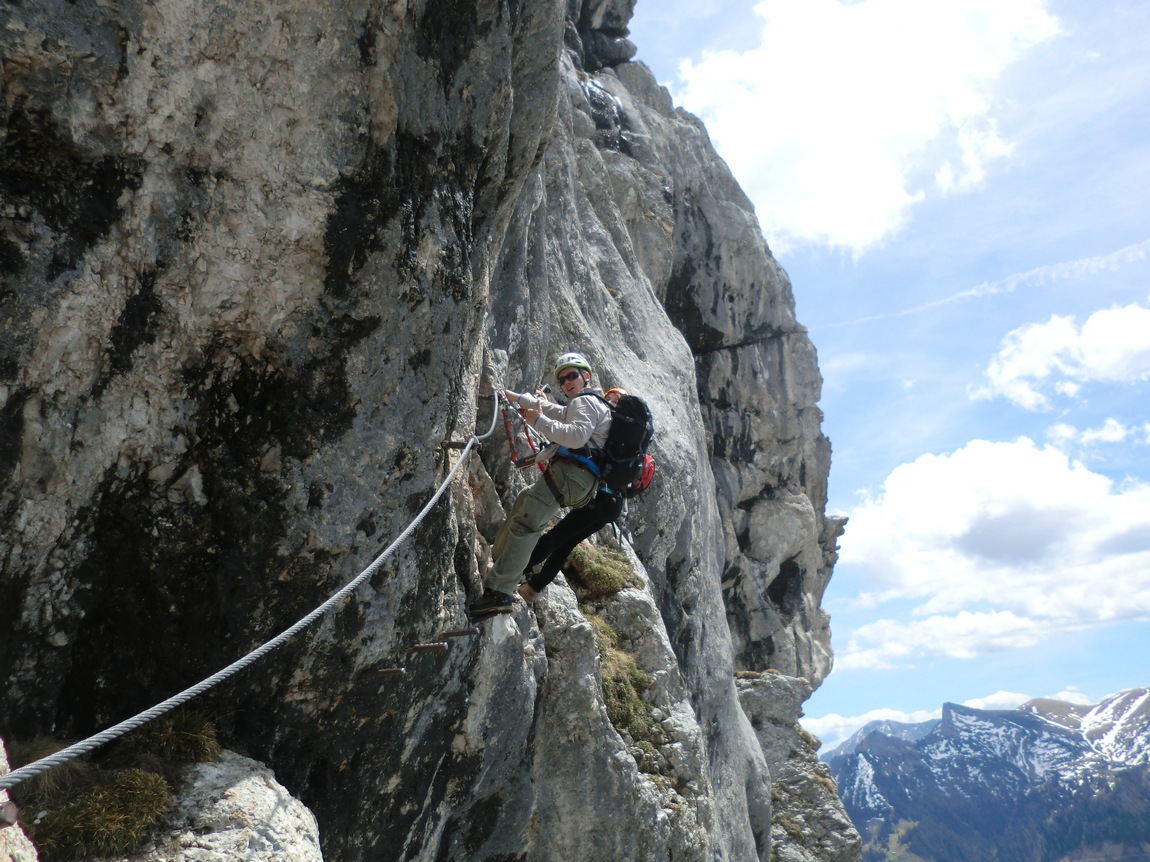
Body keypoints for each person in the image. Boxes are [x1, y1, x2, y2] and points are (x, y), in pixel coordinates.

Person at [469, 352, 613, 618]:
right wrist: (512, 396)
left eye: (572, 376)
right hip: (578, 481)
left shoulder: (585, 402)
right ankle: (499, 560)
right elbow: (550, 409)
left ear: (586, 377)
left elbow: (575, 436)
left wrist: (536, 420)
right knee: (525, 500)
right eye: (562, 380)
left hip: (571, 475)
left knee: (527, 524)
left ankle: (499, 592)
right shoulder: (589, 404)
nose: (566, 383)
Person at [515, 388, 629, 603]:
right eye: (608, 399)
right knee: (565, 543)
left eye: (613, 400)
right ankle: (532, 589)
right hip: (613, 503)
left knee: (556, 537)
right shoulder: (621, 436)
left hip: (600, 497)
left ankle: (515, 569)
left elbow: (574, 435)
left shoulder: (606, 424)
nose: (608, 402)